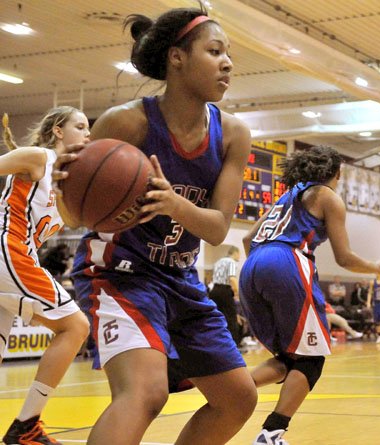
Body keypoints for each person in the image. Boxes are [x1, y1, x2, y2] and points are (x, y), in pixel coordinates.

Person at [54, 7, 257, 445]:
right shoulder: (128, 121)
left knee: (238, 398)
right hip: (120, 274)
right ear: (176, 58)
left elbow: (219, 228)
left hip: (181, 279)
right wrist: (64, 185)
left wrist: (171, 202)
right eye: (215, 51)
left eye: (229, 55)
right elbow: (76, 216)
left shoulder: (234, 134)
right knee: (146, 392)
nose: (228, 63)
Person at [239, 145, 380, 445]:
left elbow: (247, 238)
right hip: (288, 261)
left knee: (289, 359)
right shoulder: (327, 196)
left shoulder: (287, 197)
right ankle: (271, 433)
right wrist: (376, 266)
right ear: (337, 174)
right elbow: (344, 257)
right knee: (311, 360)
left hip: (252, 264)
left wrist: (263, 270)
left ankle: (230, 387)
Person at [0, 108, 91, 445]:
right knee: (75, 326)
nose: (87, 134)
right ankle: (26, 426)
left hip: (13, 258)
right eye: (80, 127)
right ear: (58, 131)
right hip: (8, 250)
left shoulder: (67, 180)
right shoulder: (40, 157)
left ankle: (25, 427)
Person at [209, 246, 243, 346]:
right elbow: (232, 279)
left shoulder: (219, 261)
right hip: (225, 291)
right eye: (239, 254)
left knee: (216, 317)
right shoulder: (231, 262)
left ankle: (215, 342)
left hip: (214, 290)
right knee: (231, 318)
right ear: (235, 253)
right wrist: (237, 293)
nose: (239, 257)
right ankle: (233, 345)